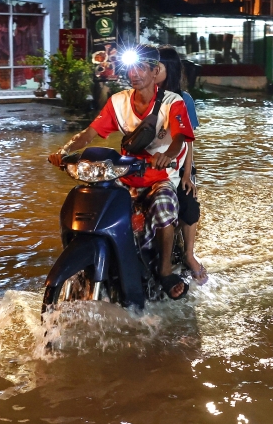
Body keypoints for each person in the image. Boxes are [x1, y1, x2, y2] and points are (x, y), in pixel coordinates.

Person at [48, 45, 196, 299]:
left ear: (155, 70)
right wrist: (65, 151)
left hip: (160, 177)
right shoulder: (118, 101)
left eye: (141, 67)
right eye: (130, 68)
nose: (135, 73)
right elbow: (90, 133)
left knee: (163, 206)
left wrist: (167, 156)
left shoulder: (174, 102)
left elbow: (181, 138)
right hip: (124, 177)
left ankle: (164, 271)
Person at [157, 46, 207, 285]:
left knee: (187, 202)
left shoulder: (183, 100)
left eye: (158, 66)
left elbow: (188, 141)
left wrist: (187, 173)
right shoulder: (140, 96)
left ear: (170, 69)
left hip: (178, 166)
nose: (152, 70)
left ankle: (188, 255)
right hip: (149, 166)